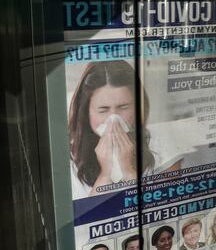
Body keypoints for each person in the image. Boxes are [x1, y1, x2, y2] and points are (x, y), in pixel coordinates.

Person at [69, 60, 181, 198]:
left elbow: (165, 209)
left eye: (123, 107)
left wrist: (128, 171)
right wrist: (105, 174)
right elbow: (87, 217)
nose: (114, 119)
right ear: (85, 112)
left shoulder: (160, 141)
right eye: (103, 110)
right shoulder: (69, 155)